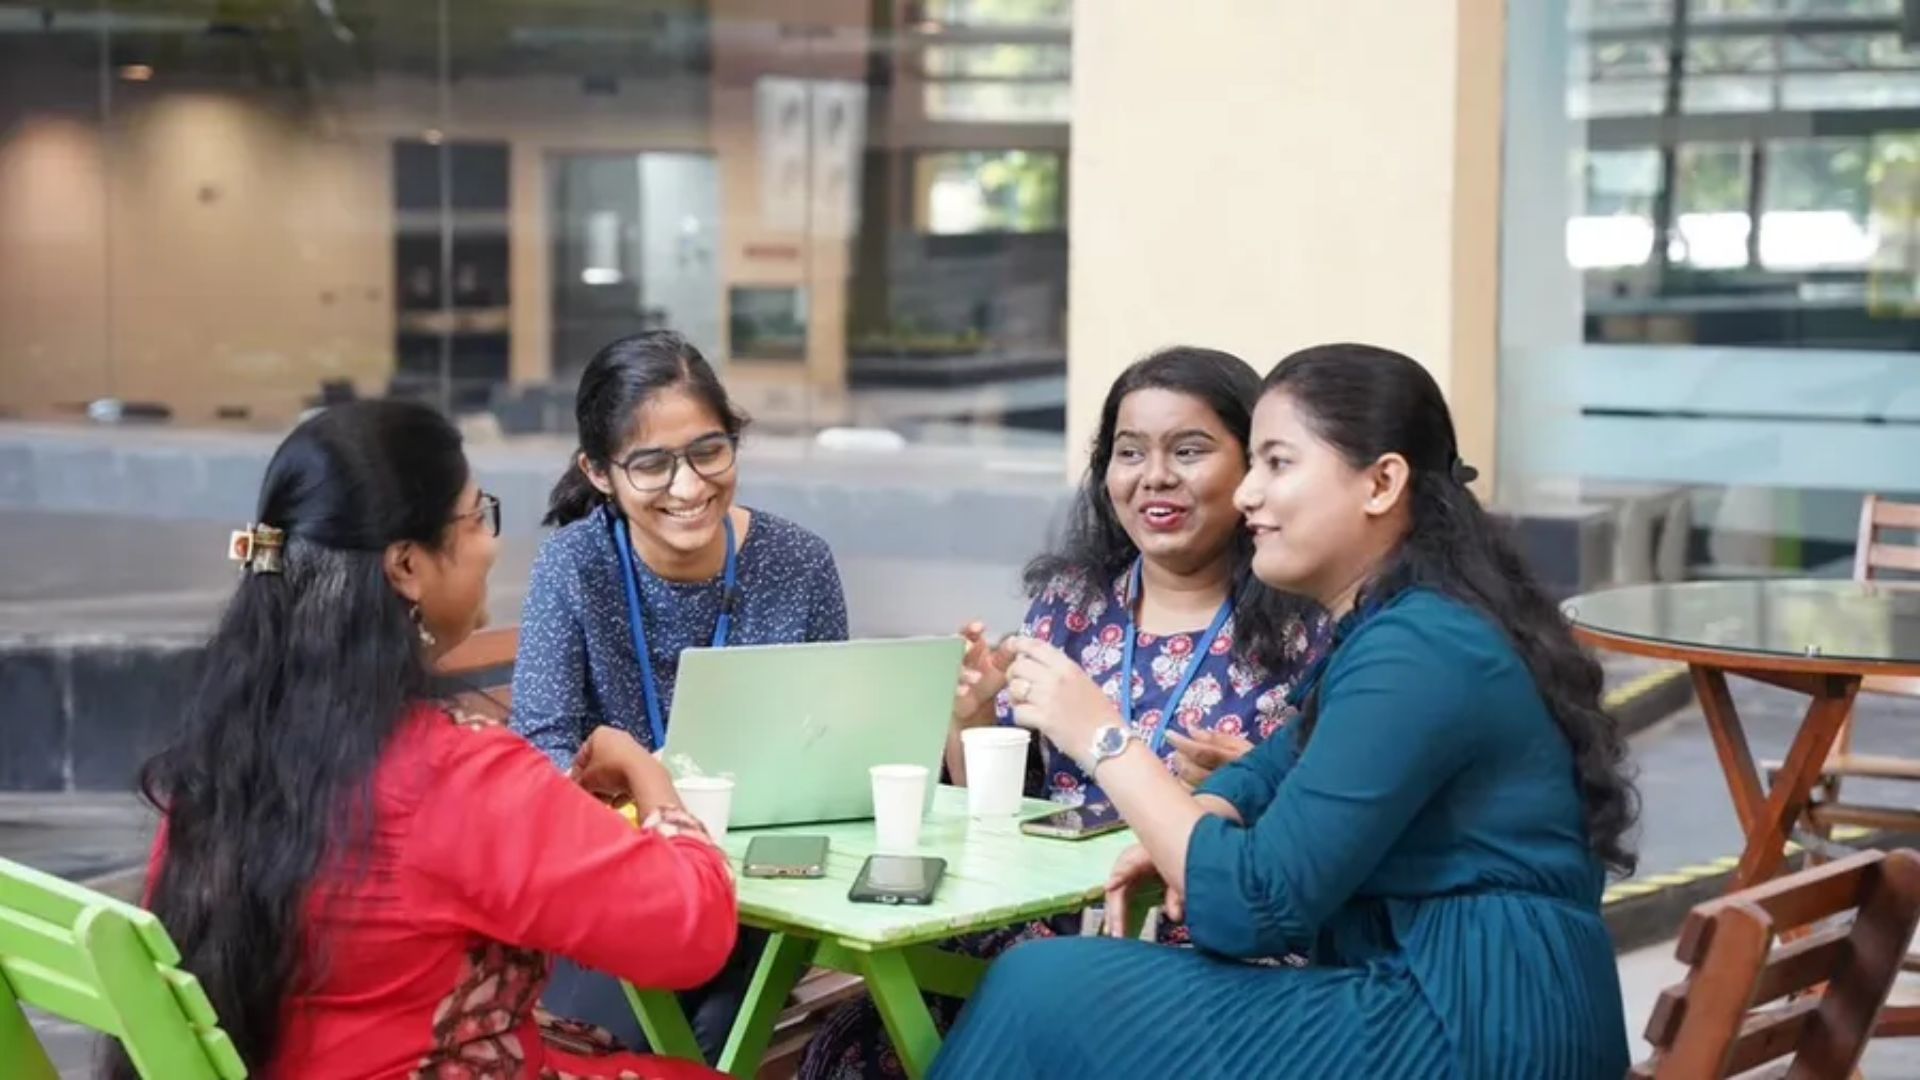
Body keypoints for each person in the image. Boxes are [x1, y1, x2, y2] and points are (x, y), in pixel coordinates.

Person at [932, 344, 1638, 1079]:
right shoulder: (1412, 626)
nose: (1247, 495)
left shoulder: (1419, 649)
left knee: (1046, 989)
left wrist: (1103, 735)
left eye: (1277, 463)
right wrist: (1203, 812)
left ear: (1381, 483)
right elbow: (1282, 761)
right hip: (1465, 998)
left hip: (1471, 1025)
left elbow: (1251, 909)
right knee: (1052, 986)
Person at [120, 401, 736, 1080]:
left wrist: (545, 811)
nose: (491, 543)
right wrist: (651, 781)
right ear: (407, 566)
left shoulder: (228, 749)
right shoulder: (454, 772)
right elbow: (692, 934)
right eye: (476, 518)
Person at [799, 345, 1327, 1080]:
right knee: (871, 1038)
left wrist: (1251, 786)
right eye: (1129, 451)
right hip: (1031, 916)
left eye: (1190, 450)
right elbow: (1008, 809)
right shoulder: (1074, 604)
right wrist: (972, 720)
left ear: (1251, 469)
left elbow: (1320, 824)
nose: (1155, 477)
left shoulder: (1307, 624)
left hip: (1202, 927)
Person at [511, 330, 848, 1059]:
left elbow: (830, 744)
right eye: (652, 464)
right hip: (613, 886)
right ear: (599, 472)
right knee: (641, 1031)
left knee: (719, 1028)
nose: (690, 487)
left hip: (762, 891)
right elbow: (542, 751)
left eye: (708, 451)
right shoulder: (574, 567)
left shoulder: (799, 563)